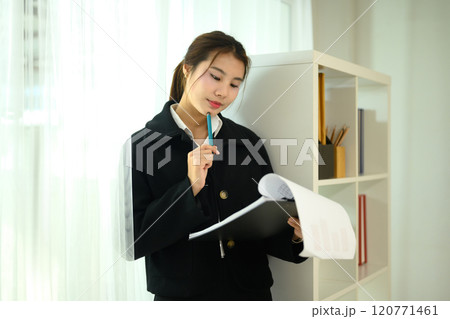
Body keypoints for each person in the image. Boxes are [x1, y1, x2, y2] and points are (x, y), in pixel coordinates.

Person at [130, 31, 307, 301]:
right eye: (215, 76)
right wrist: (189, 188)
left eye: (235, 84)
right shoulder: (144, 145)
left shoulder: (248, 142)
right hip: (183, 299)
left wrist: (296, 235)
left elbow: (265, 227)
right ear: (187, 69)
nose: (223, 92)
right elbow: (135, 241)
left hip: (251, 294)